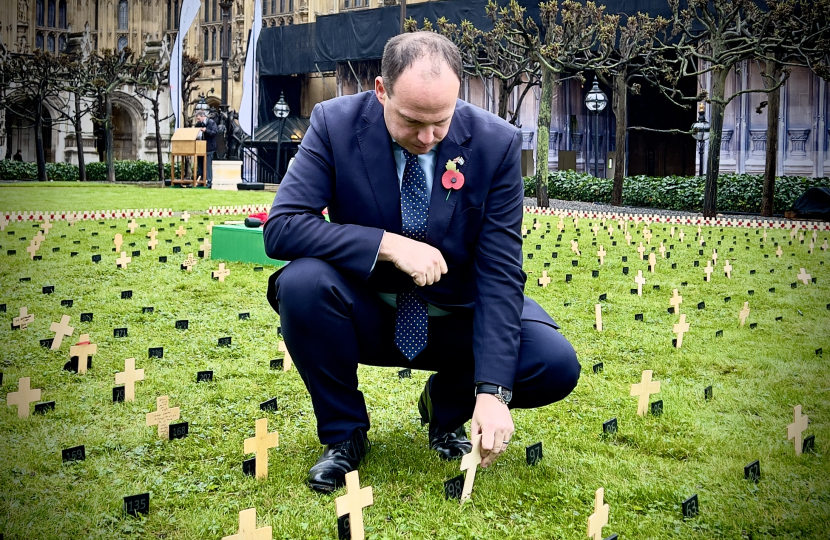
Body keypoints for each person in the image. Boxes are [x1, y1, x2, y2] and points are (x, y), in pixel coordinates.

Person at [263, 32, 580, 493]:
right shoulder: (334, 123)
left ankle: (444, 406)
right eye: (412, 121)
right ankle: (344, 435)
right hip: (365, 311)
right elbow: (283, 227)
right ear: (380, 90)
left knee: (553, 362)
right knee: (302, 284)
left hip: (456, 318)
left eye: (441, 122)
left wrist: (492, 391)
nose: (429, 138)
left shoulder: (497, 144)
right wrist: (385, 244)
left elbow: (500, 271)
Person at [194, 110, 217, 188]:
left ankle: (209, 181)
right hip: (199, 147)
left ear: (203, 116)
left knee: (207, 165)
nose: (198, 120)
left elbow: (214, 132)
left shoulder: (211, 122)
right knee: (200, 164)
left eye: (198, 118)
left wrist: (206, 130)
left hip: (209, 147)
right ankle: (201, 180)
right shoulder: (198, 124)